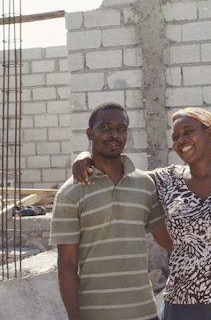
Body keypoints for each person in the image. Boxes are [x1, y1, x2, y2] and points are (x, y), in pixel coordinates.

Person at [72, 107, 211, 320]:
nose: (181, 140)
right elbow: (120, 172)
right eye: (175, 137)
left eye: (188, 132)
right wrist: (86, 155)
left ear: (209, 134)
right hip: (179, 306)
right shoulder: (169, 179)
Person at [50, 101, 172, 320]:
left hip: (144, 312)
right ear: (90, 133)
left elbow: (167, 240)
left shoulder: (144, 185)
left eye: (121, 129)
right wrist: (74, 316)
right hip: (95, 314)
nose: (114, 134)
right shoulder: (70, 193)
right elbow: (66, 264)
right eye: (105, 127)